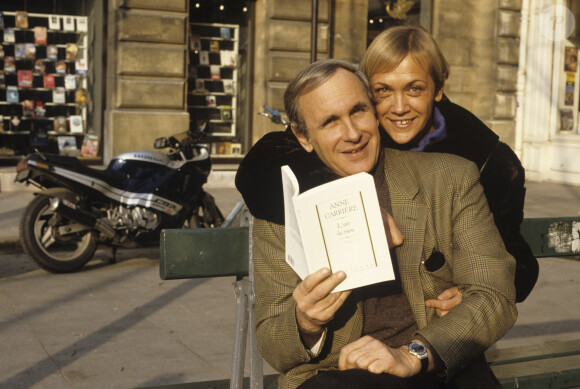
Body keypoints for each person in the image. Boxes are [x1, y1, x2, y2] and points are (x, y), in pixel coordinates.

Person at [235, 59, 517, 389]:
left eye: (358, 111)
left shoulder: (449, 179)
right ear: (303, 136)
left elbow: (494, 294)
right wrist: (306, 322)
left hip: (432, 363)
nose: (353, 134)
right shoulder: (282, 209)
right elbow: (273, 345)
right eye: (330, 122)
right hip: (336, 377)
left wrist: (413, 355)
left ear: (374, 110)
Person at [238, 24, 538, 305]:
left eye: (414, 89)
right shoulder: (361, 132)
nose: (398, 107)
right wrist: (359, 209)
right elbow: (258, 170)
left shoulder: (487, 159)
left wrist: (468, 295)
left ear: (438, 88)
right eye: (383, 91)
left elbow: (517, 265)